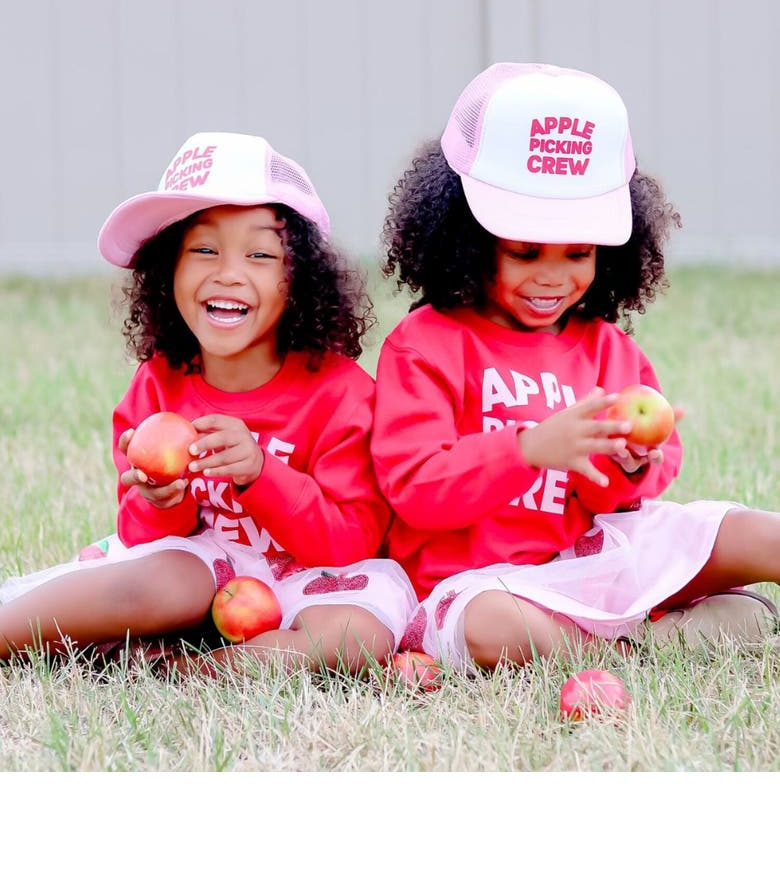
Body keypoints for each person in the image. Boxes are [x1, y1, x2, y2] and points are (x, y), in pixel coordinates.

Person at [371, 62, 779, 670]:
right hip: (482, 582)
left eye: (579, 251)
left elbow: (636, 490)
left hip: (594, 554)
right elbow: (414, 492)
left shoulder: (608, 348)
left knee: (759, 534)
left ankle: (653, 620)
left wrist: (630, 461)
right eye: (525, 251)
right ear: (464, 236)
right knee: (493, 628)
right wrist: (529, 449)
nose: (553, 276)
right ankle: (643, 644)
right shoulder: (424, 344)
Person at [0, 131, 416, 673]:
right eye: (203, 249)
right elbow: (140, 536)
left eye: (260, 254)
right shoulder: (159, 384)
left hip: (314, 582)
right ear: (167, 269)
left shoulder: (342, 394)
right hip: (197, 572)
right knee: (164, 584)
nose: (228, 272)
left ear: (300, 280)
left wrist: (262, 473)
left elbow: (351, 540)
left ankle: (192, 669)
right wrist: (162, 500)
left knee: (357, 637)